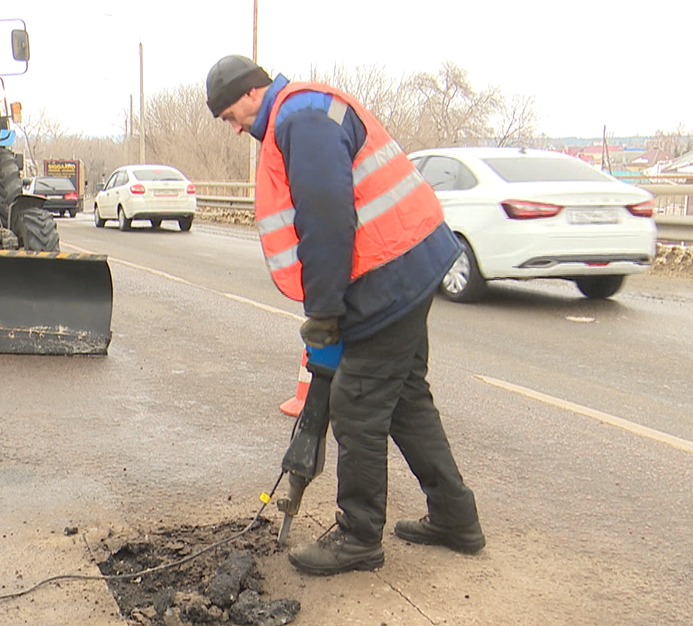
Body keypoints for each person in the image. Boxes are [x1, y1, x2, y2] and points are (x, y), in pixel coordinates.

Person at [205, 54, 484, 575]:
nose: (234, 127)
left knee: (356, 405)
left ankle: (358, 539)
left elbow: (327, 223)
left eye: (229, 116)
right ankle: (455, 517)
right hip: (408, 263)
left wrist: (326, 314)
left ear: (248, 93)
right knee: (403, 397)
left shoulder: (300, 121)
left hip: (390, 276)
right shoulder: (306, 108)